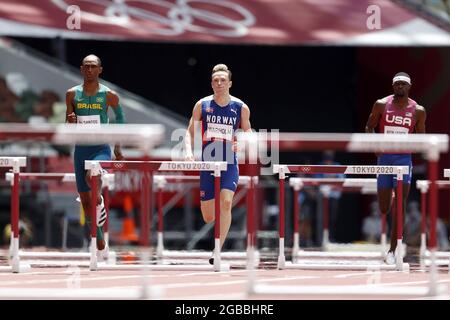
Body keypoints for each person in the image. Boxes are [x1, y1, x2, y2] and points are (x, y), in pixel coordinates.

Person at [184, 64, 252, 264]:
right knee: (208, 216)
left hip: (229, 162)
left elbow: (249, 131)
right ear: (211, 83)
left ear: (230, 83)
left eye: (223, 80)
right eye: (216, 80)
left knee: (226, 203)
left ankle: (217, 250)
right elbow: (189, 131)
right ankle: (216, 233)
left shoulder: (241, 107)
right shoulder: (202, 105)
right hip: (208, 163)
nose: (219, 83)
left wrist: (243, 139)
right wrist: (188, 152)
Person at [65, 54, 125, 254]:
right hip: (81, 149)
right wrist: (71, 121)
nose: (90, 70)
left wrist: (118, 146)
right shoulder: (72, 94)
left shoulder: (109, 95)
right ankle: (98, 232)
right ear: (81, 69)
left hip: (100, 148)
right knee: (84, 199)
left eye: (93, 67)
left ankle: (98, 201)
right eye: (86, 67)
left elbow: (120, 118)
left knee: (93, 176)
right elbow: (68, 122)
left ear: (100, 70)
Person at [365, 72, 426, 264]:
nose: (400, 87)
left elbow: (421, 136)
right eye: (397, 84)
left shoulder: (418, 110)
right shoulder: (381, 104)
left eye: (403, 84)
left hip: (403, 159)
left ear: (409, 87)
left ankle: (393, 250)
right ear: (393, 87)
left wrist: (414, 145)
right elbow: (369, 127)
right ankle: (390, 193)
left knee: (401, 205)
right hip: (385, 158)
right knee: (384, 209)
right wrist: (375, 144)